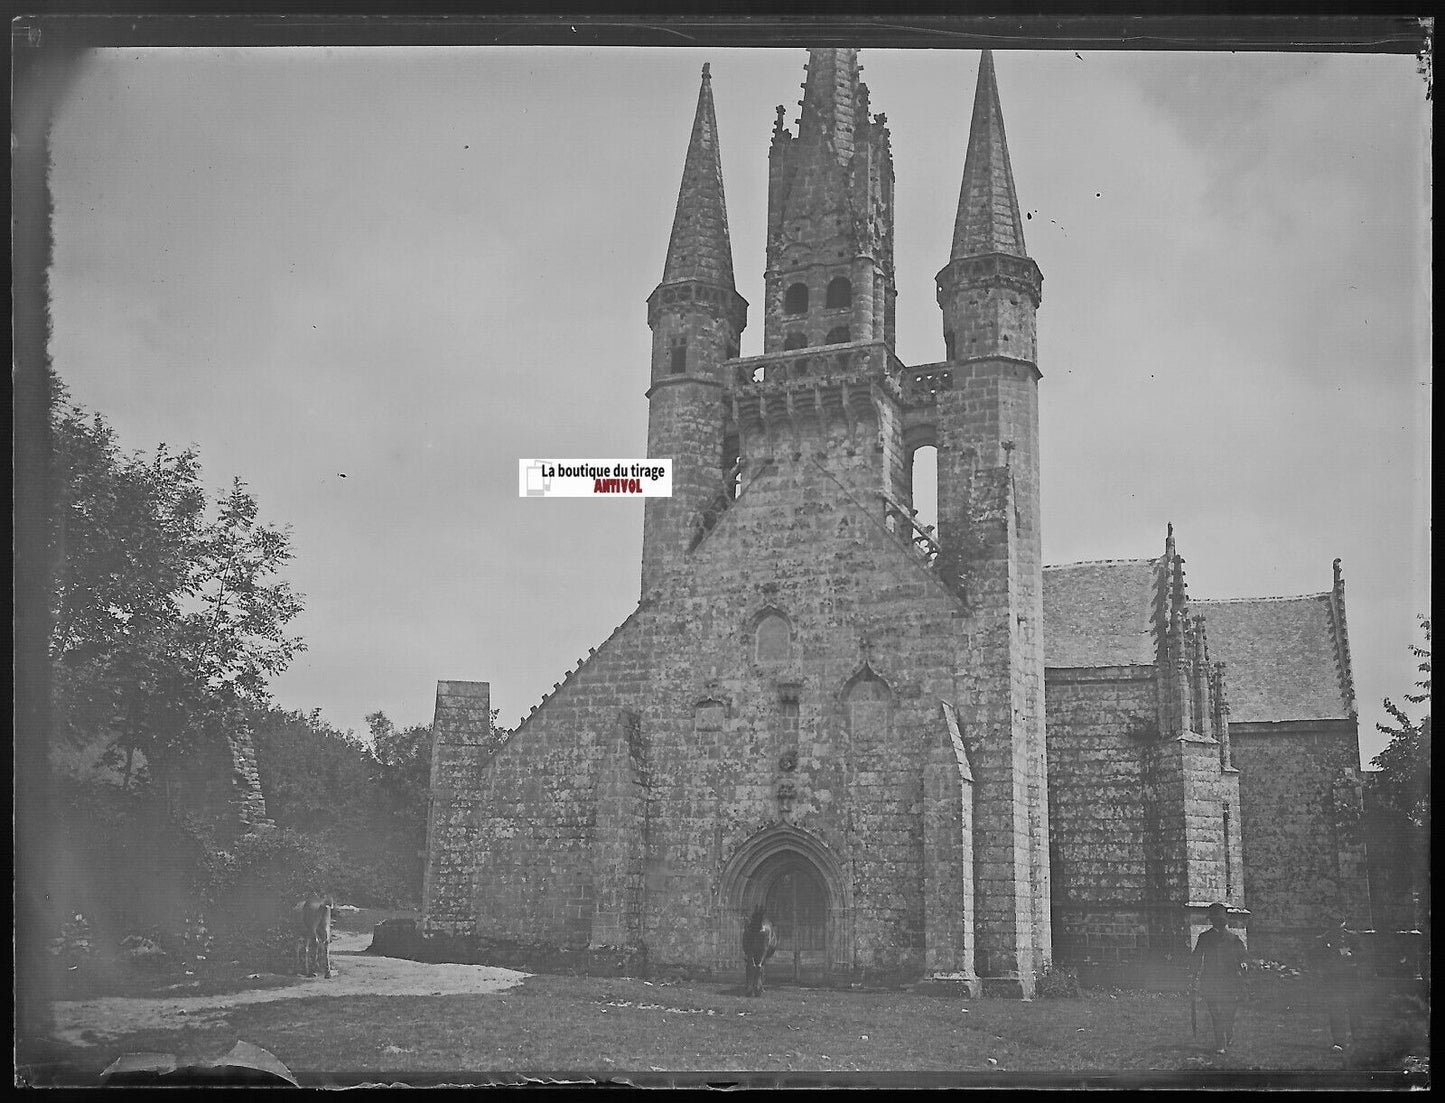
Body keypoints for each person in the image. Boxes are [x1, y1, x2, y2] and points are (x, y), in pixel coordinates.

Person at [1192, 902, 1246, 1055]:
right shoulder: (1204, 938)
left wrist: (1243, 964)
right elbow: (1196, 958)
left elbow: (1243, 956)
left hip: (1231, 983)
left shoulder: (1233, 939)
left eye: (1222, 920)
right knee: (1216, 1013)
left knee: (1229, 1014)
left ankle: (1228, 1033)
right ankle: (1220, 1044)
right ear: (1212, 921)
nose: (1220, 923)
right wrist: (1193, 976)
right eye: (1216, 920)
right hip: (1211, 982)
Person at [1315, 917, 1365, 1052]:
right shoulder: (1323, 939)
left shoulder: (1353, 937)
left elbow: (1361, 954)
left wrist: (1351, 954)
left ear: (1344, 924)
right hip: (1334, 981)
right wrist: (1336, 955)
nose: (1338, 928)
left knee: (1355, 1009)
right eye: (1334, 925)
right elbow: (1320, 958)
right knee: (1336, 1011)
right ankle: (1339, 1042)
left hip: (1351, 980)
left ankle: (1358, 1039)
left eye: (1340, 924)